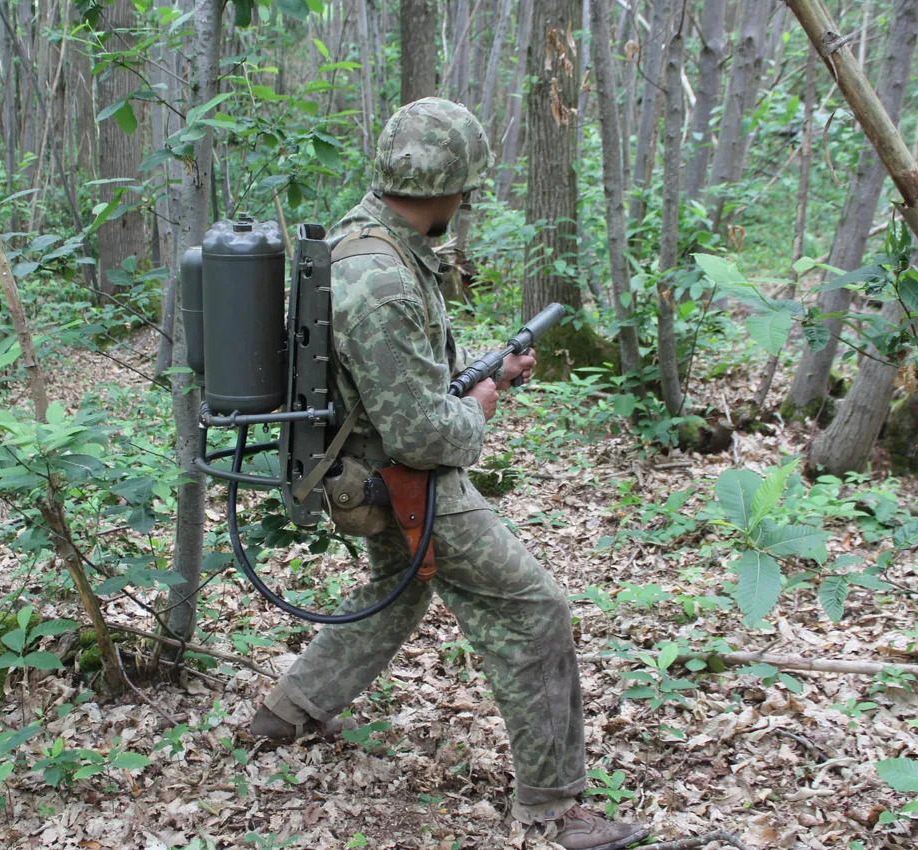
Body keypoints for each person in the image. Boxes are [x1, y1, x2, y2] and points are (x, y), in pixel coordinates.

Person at [249, 97, 649, 850]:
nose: (464, 205)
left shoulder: (362, 240)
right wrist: (484, 404)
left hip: (367, 469)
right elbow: (422, 432)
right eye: (464, 193)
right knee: (535, 610)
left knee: (394, 599)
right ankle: (555, 809)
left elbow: (399, 385)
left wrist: (484, 375)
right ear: (448, 188)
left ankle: (286, 714)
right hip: (400, 482)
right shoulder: (387, 278)